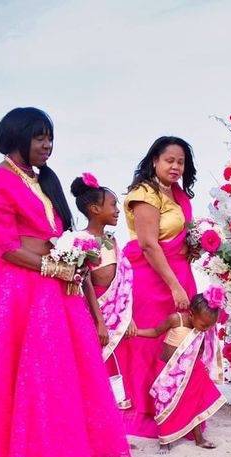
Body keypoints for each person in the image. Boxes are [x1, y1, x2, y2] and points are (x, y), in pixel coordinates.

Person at [0, 107, 130, 457]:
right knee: (14, 376)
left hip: (55, 291)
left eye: (50, 138)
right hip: (15, 290)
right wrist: (52, 266)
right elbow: (1, 244)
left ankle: (53, 456)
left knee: (54, 374)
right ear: (16, 137)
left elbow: (57, 234)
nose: (47, 145)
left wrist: (70, 264)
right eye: (39, 137)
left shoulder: (44, 180)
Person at [119, 136, 198, 438]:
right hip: (153, 280)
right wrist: (175, 286)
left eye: (181, 162)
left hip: (179, 273)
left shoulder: (177, 195)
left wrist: (194, 246)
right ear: (154, 160)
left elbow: (177, 236)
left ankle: (176, 405)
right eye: (170, 160)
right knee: (150, 345)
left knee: (179, 340)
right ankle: (149, 410)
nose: (176, 166)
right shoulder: (145, 194)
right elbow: (149, 245)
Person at [70, 173, 135, 409]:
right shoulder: (81, 240)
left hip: (118, 312)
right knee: (97, 366)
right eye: (113, 205)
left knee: (119, 367)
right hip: (96, 311)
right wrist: (99, 321)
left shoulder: (111, 240)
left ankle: (119, 419)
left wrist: (130, 316)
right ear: (95, 209)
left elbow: (125, 280)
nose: (118, 210)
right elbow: (84, 282)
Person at [137, 288, 225, 453]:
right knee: (164, 402)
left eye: (210, 326)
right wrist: (136, 332)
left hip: (190, 370)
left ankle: (199, 438)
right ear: (191, 314)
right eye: (204, 325)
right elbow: (156, 332)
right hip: (167, 370)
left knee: (195, 401)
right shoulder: (175, 319)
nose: (206, 329)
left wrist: (200, 367)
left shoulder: (202, 329)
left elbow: (201, 349)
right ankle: (165, 440)